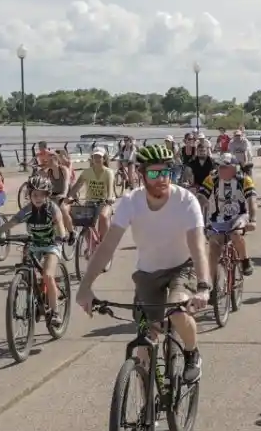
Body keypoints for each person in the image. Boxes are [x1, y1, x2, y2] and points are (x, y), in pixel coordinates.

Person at [75, 144, 212, 383]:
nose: (161, 179)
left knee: (178, 311)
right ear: (141, 174)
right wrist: (85, 286)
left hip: (182, 267)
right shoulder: (131, 201)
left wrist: (203, 286)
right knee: (145, 343)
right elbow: (107, 246)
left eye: (165, 172)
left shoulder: (186, 200)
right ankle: (145, 400)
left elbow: (197, 246)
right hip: (148, 272)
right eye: (154, 173)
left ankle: (192, 353)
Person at [0, 177, 69, 327]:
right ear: (29, 195)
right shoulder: (27, 210)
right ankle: (33, 295)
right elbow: (12, 222)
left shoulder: (52, 209)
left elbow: (60, 224)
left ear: (47, 195)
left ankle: (55, 312)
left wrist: (61, 236)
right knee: (25, 270)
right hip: (33, 244)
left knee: (48, 274)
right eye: (35, 194)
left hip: (51, 245)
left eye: (42, 194)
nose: (38, 198)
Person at [202, 154, 258, 276]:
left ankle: (245, 260)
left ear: (234, 168)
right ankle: (213, 283)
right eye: (219, 166)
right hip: (218, 218)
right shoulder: (211, 179)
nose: (221, 170)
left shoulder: (244, 180)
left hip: (239, 216)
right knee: (213, 246)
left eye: (224, 167)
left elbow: (252, 200)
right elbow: (201, 197)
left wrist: (253, 220)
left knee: (236, 234)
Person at [69, 146, 115, 241]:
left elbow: (110, 188)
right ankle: (91, 244)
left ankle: (105, 243)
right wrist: (69, 196)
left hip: (105, 201)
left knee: (103, 217)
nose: (97, 159)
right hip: (90, 201)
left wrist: (109, 198)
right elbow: (77, 185)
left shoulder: (109, 172)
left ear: (104, 159)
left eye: (99, 157)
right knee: (84, 221)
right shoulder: (87, 172)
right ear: (92, 159)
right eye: (95, 157)